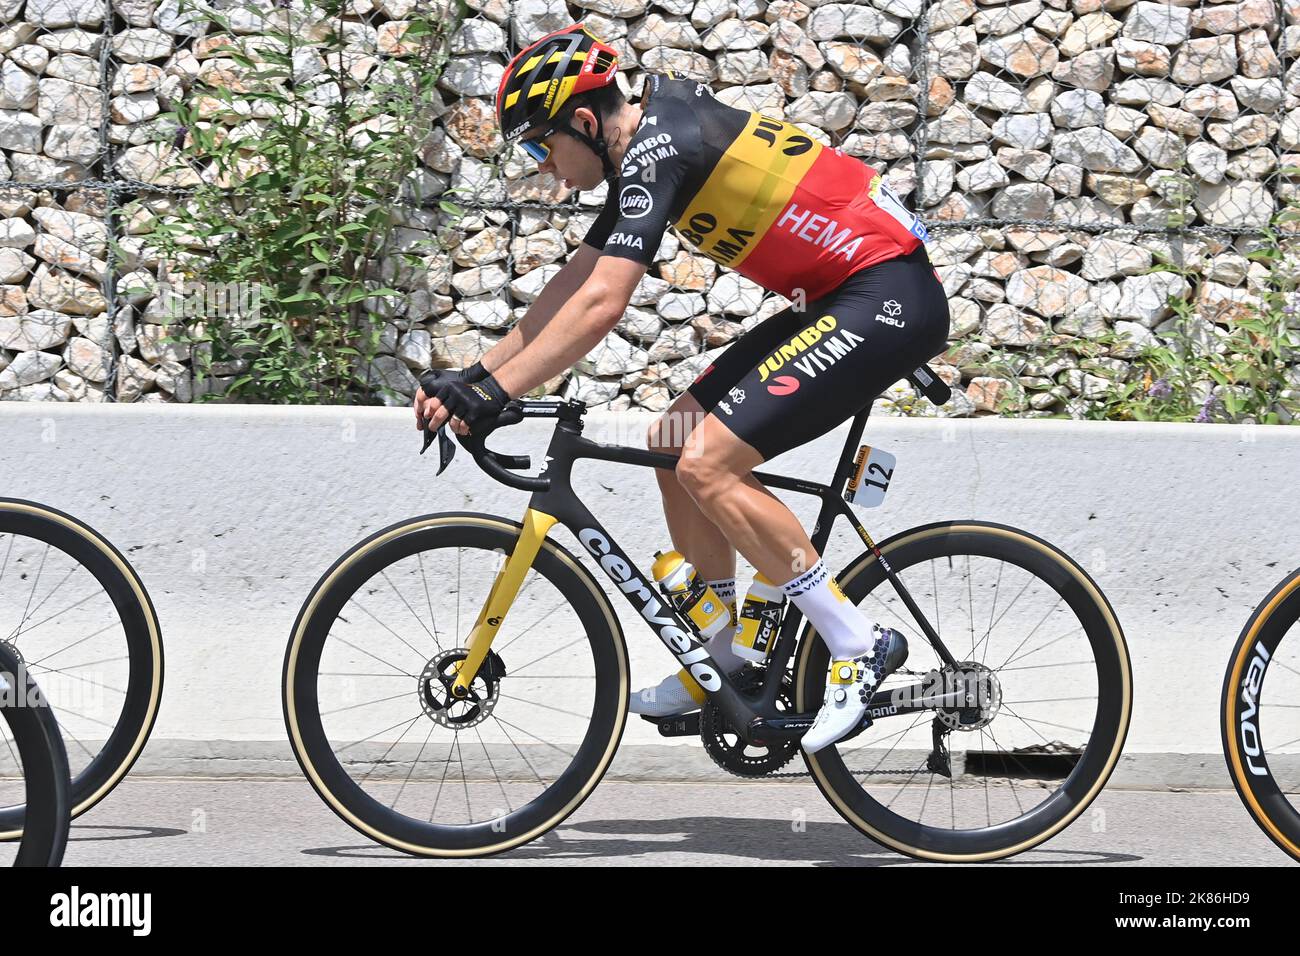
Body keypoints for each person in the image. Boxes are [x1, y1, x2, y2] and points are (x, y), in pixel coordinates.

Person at [414, 23, 951, 753]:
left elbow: (604, 305)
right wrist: (478, 377)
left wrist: (498, 394)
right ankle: (723, 658)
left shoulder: (660, 147)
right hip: (839, 297)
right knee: (672, 443)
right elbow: (572, 285)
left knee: (708, 462)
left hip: (885, 295)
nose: (545, 167)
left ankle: (857, 640)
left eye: (543, 145)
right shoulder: (650, 143)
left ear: (583, 121)